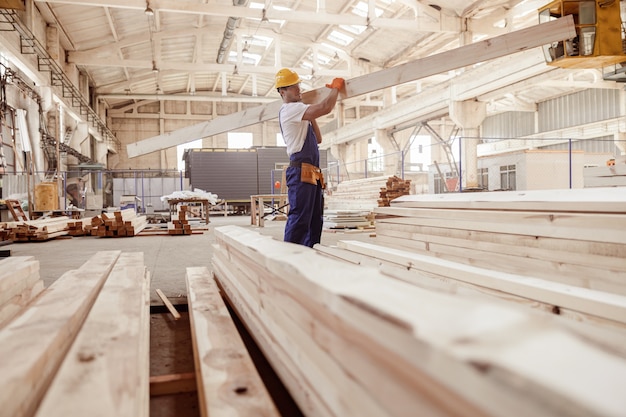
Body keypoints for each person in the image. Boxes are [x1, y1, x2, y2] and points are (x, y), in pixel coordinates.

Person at [275, 68, 344, 247]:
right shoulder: (289, 110)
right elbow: (325, 107)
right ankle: (289, 258)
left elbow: (319, 138)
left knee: (315, 218)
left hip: (313, 171)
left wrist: (310, 113)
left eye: (298, 85)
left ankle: (311, 255)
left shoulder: (300, 112)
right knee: (299, 217)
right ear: (283, 92)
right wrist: (335, 89)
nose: (299, 89)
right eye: (293, 87)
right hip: (300, 169)